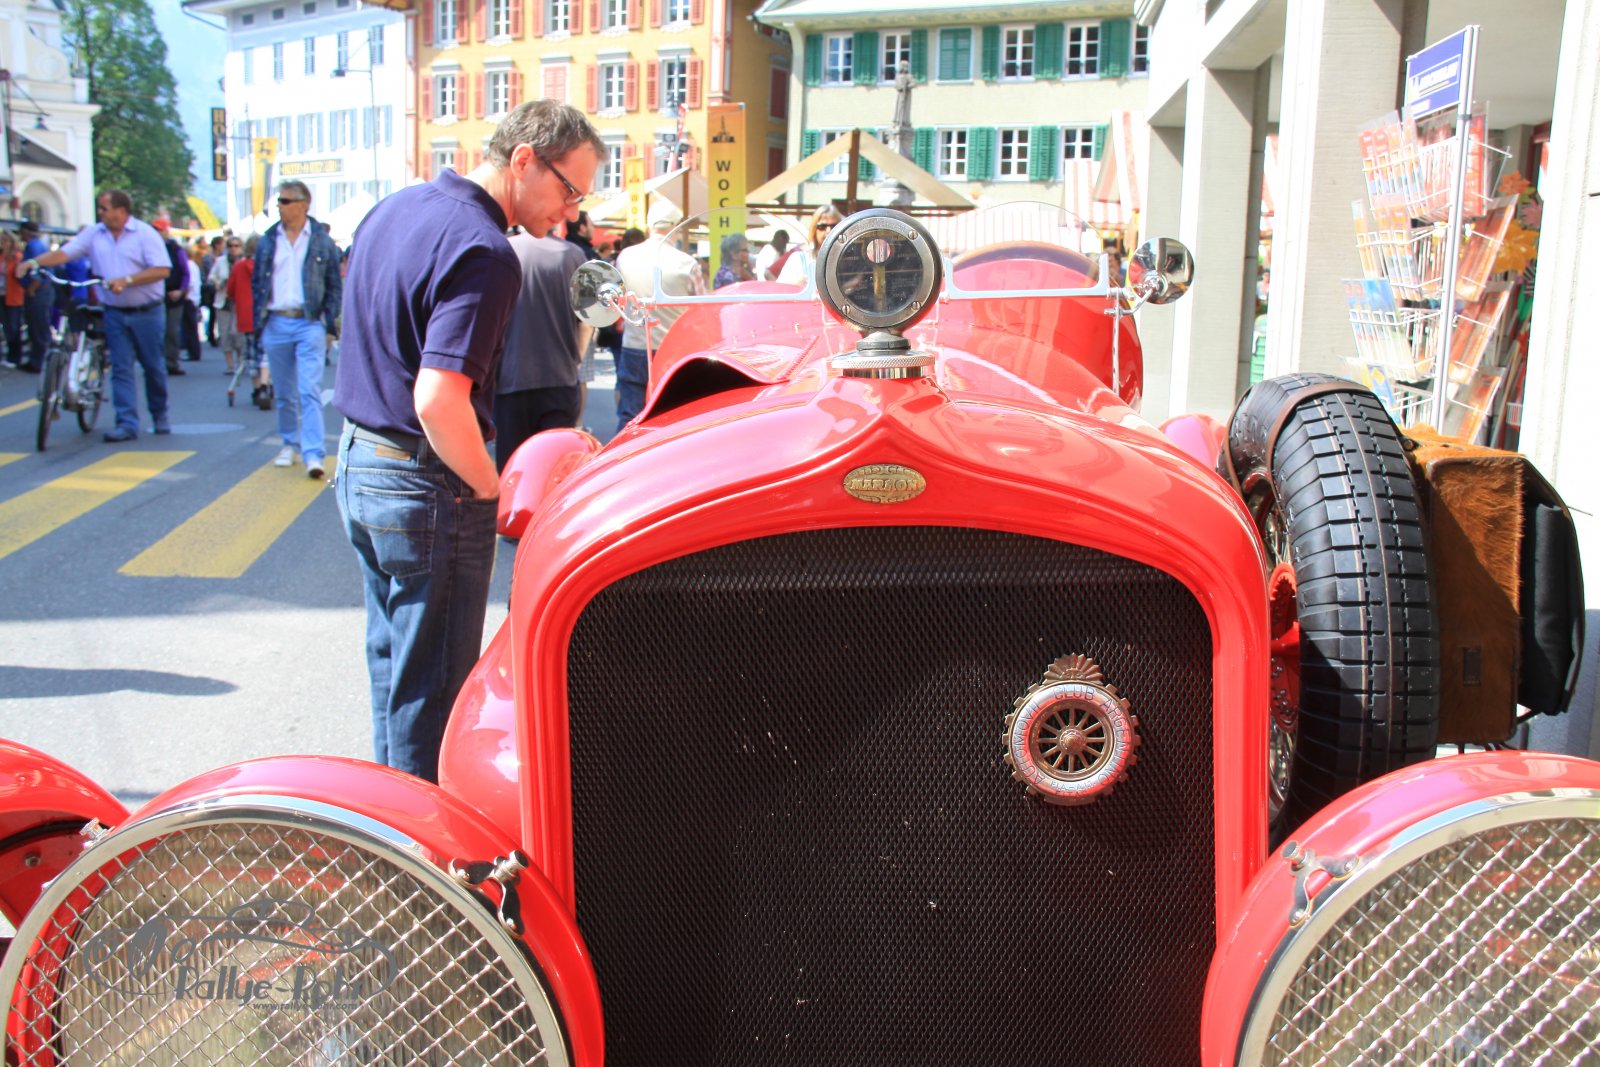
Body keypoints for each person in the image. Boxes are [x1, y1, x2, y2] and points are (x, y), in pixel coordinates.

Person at [333, 99, 604, 782]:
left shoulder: (396, 208)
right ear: (523, 160)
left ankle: (392, 813)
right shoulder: (485, 249)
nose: (568, 212)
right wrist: (488, 487)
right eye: (568, 189)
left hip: (360, 459)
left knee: (393, 668)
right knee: (433, 695)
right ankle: (421, 836)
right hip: (422, 479)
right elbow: (438, 397)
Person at [20, 189, 172, 441]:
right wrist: (35, 263)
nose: (99, 213)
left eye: (104, 208)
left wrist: (128, 280)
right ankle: (126, 423)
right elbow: (66, 252)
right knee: (120, 368)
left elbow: (162, 270)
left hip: (147, 311)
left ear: (121, 211)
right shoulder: (95, 233)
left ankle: (160, 415)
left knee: (153, 366)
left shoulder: (145, 234)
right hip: (114, 311)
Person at [253, 180, 343, 478]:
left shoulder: (321, 240)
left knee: (309, 390)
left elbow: (334, 284)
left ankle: (314, 453)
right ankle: (289, 443)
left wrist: (328, 321)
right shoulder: (269, 240)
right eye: (278, 201)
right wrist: (259, 319)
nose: (280, 206)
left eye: (285, 201)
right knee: (283, 392)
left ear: (304, 204)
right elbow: (258, 282)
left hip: (308, 321)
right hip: (276, 319)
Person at [496, 227, 591, 471]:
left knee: (514, 469)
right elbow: (587, 321)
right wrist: (576, 360)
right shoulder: (573, 254)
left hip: (511, 379)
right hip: (560, 377)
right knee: (556, 469)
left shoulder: (503, 249)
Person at [614, 199, 703, 432]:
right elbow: (701, 311)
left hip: (635, 345)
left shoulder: (625, 257)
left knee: (629, 417)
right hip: (674, 351)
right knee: (672, 420)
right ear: (676, 226)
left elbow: (617, 299)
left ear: (649, 225)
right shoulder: (687, 263)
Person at [226, 236, 263, 397]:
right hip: (267, 315)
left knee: (252, 352)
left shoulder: (239, 266)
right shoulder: (268, 266)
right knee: (268, 352)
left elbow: (230, 290)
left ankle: (257, 387)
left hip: (247, 315)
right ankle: (267, 383)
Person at [153, 218, 190, 375]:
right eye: (155, 230)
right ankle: (157, 363)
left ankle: (171, 362)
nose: (157, 233)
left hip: (173, 295)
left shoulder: (175, 249)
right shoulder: (149, 248)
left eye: (159, 230)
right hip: (155, 296)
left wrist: (181, 291)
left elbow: (185, 272)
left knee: (172, 331)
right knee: (156, 331)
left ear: (166, 231)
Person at [778, 204, 843, 285]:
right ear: (814, 229)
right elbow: (780, 287)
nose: (828, 231)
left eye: (834, 226)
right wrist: (796, 283)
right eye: (822, 226)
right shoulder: (799, 258)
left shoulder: (846, 259)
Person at [19, 220, 53, 373]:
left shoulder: (34, 246)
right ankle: (38, 359)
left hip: (38, 290)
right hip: (40, 289)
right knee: (37, 326)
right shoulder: (38, 245)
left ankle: (40, 362)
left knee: (38, 326)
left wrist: (32, 289)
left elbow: (39, 271)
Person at [210, 236, 243, 373]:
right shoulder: (221, 261)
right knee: (224, 333)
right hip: (223, 301)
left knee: (238, 333)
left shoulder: (244, 261)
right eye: (230, 246)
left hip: (240, 302)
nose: (233, 248)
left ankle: (241, 362)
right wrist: (217, 283)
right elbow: (212, 276)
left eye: (236, 245)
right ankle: (230, 365)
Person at [1, 232, 23, 367]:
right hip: (2, 295)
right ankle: (8, 354)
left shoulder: (17, 257)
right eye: (2, 241)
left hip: (13, 296)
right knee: (5, 326)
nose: (3, 243)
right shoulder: (1, 257)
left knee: (13, 327)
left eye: (6, 241)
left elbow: (19, 275)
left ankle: (15, 357)